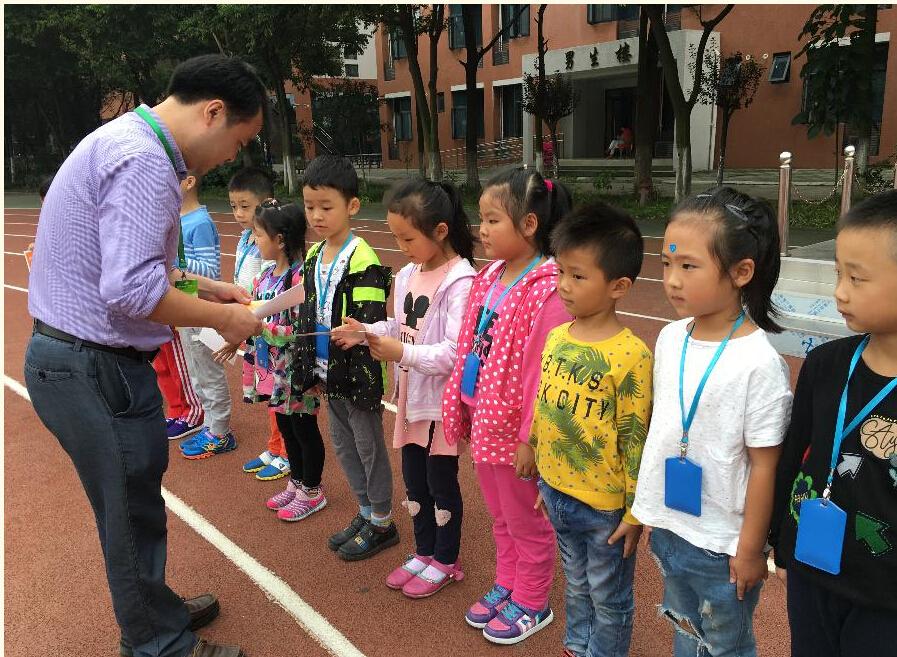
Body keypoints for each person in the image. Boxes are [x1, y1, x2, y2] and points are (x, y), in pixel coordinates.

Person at [24, 54, 266, 657]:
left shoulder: (125, 142)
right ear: (213, 112)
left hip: (79, 359)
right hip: (94, 365)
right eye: (239, 141)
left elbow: (136, 265)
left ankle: (153, 612)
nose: (232, 157)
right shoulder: (144, 162)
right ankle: (159, 644)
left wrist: (209, 288)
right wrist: (226, 318)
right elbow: (133, 291)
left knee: (131, 505)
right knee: (131, 512)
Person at [631, 186, 793, 657]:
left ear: (742, 272)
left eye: (688, 266)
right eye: (666, 263)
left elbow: (765, 465)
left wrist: (751, 550)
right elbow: (663, 428)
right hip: (671, 529)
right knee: (684, 628)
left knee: (725, 644)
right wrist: (647, 512)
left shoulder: (759, 364)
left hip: (722, 545)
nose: (671, 280)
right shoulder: (670, 337)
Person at [442, 168, 573, 645]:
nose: (482, 229)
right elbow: (469, 342)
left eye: (493, 219)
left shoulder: (547, 288)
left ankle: (533, 601)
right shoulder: (490, 275)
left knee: (526, 521)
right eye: (482, 219)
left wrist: (529, 440)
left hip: (516, 431)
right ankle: (508, 583)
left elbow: (543, 376)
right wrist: (461, 403)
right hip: (485, 419)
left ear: (530, 224)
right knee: (500, 516)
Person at [333, 178, 476, 597]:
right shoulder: (410, 272)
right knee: (414, 482)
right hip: (411, 402)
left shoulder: (461, 280)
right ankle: (424, 550)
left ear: (440, 231)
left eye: (408, 238)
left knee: (440, 483)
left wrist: (400, 353)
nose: (401, 247)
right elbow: (399, 325)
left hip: (440, 407)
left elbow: (455, 353)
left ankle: (446, 559)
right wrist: (366, 332)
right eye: (396, 237)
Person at [769, 189, 897, 657]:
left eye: (857, 278)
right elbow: (794, 454)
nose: (839, 292)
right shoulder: (826, 364)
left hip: (885, 599)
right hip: (812, 570)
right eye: (838, 273)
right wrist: (779, 540)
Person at [531, 203, 653, 657]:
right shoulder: (557, 337)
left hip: (605, 508)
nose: (563, 285)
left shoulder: (631, 355)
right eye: (561, 271)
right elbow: (546, 409)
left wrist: (634, 513)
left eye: (578, 276)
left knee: (609, 597)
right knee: (577, 585)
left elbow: (635, 438)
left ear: (618, 286)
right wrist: (545, 477)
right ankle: (576, 645)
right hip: (557, 493)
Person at [292, 154, 396, 560]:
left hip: (357, 377)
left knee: (369, 448)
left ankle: (383, 521)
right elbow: (308, 310)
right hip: (328, 373)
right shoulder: (314, 254)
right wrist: (308, 369)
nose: (316, 216)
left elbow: (369, 324)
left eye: (326, 206)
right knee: (344, 446)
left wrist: (358, 340)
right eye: (309, 206)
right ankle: (365, 510)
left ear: (352, 206)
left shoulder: (362, 258)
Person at [217, 200, 326, 521]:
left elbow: (301, 330)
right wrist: (236, 334)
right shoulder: (265, 276)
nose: (254, 240)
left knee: (304, 429)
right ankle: (297, 482)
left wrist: (261, 327)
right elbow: (252, 313)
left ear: (279, 240)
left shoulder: (299, 278)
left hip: (297, 370)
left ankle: (313, 490)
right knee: (286, 427)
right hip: (274, 371)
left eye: (258, 234)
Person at [226, 168, 290, 481]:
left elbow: (269, 289)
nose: (238, 213)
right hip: (255, 328)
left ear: (266, 203)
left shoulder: (270, 244)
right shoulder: (245, 238)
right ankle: (274, 447)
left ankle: (286, 452)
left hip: (268, 327)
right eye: (233, 206)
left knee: (281, 392)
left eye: (245, 206)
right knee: (267, 390)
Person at [175, 173, 238, 460]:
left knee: (209, 372)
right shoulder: (177, 219)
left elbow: (210, 271)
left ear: (188, 182)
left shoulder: (199, 222)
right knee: (196, 372)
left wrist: (172, 261)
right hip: (186, 308)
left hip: (203, 309)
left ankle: (221, 432)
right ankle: (211, 425)